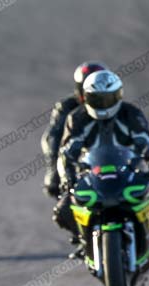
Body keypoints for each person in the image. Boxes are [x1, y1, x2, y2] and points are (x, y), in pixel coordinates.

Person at [56, 70, 149, 256]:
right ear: (85, 98)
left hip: (127, 171)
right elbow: (66, 153)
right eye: (96, 99)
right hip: (92, 173)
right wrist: (66, 177)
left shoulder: (131, 113)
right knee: (63, 208)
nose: (103, 104)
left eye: (108, 98)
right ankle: (83, 241)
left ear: (119, 95)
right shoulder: (76, 118)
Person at [41, 61, 107, 198]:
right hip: (79, 164)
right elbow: (53, 137)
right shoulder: (67, 108)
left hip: (110, 162)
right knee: (63, 211)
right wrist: (55, 172)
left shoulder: (114, 108)